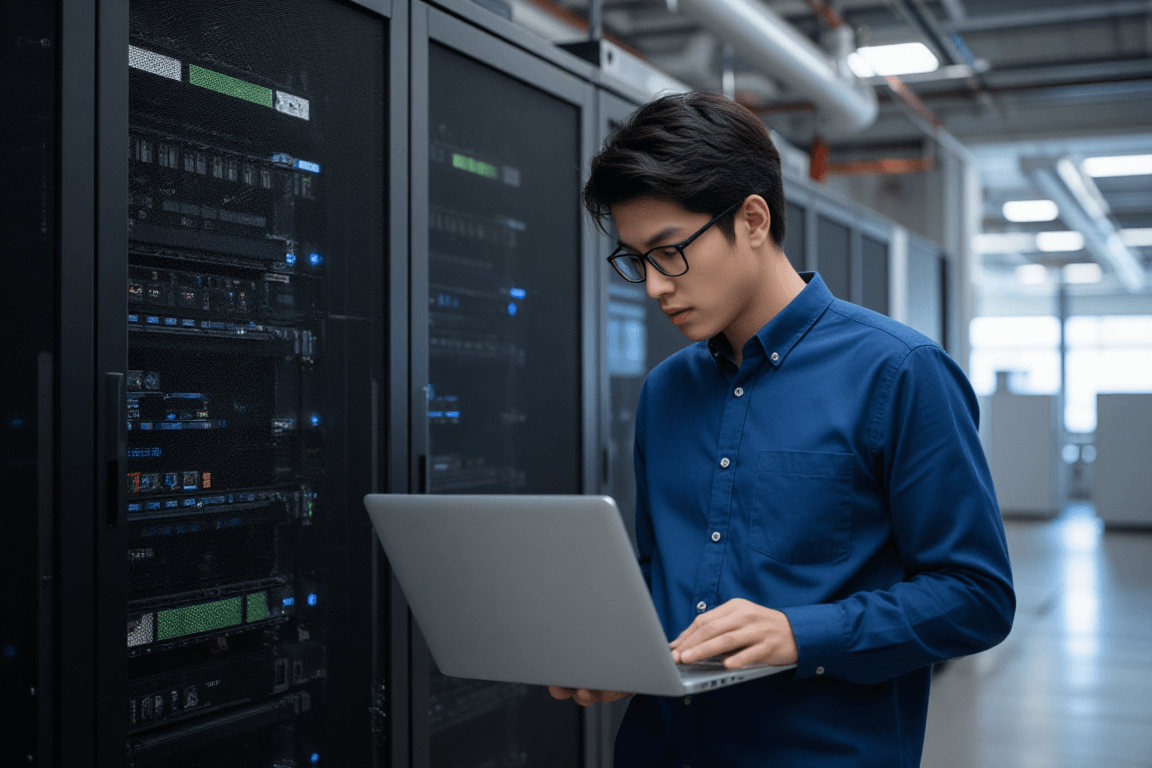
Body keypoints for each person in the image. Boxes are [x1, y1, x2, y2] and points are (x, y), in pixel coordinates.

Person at [548, 91, 1015, 767]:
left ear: (754, 220)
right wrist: (619, 649)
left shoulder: (901, 373)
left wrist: (803, 633)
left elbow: (977, 597)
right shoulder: (665, 392)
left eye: (668, 251)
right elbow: (659, 577)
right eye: (635, 260)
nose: (652, 286)